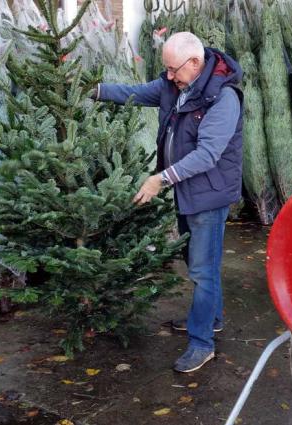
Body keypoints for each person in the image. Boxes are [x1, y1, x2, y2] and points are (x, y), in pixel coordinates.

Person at [94, 32, 243, 373]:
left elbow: (207, 155)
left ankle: (201, 342)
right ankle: (213, 318)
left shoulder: (223, 97)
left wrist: (160, 178)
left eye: (174, 69)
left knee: (203, 270)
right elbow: (134, 92)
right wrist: (96, 91)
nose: (169, 76)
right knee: (196, 260)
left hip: (209, 194)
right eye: (167, 70)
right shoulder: (173, 83)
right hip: (185, 189)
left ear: (195, 62)